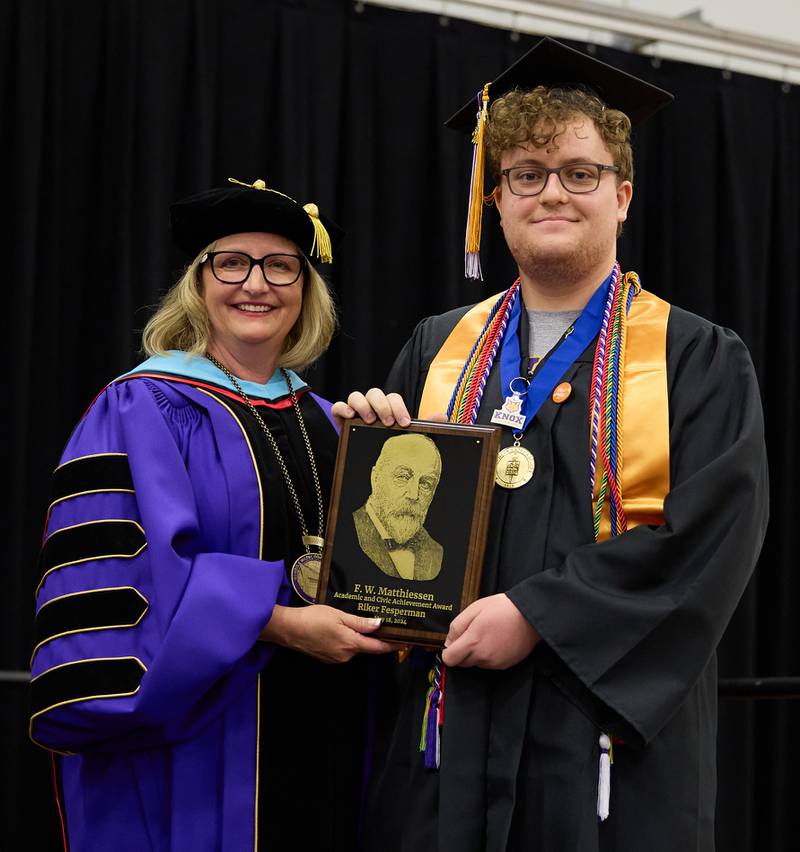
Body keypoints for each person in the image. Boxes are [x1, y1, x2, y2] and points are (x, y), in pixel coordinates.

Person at [334, 38, 769, 852]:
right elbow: (387, 549)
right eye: (525, 175)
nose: (552, 193)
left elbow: (709, 540)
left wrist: (538, 615)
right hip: (446, 735)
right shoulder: (437, 348)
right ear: (494, 200)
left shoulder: (696, 356)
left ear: (623, 194)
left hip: (603, 747)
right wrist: (371, 456)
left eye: (579, 172)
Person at [30, 178, 393, 851]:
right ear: (198, 284)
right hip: (194, 739)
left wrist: (399, 454)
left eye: (281, 266)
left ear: (306, 290)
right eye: (232, 263)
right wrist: (280, 622)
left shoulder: (326, 420)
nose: (257, 284)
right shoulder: (142, 406)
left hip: (327, 725)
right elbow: (133, 573)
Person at [353, 433, 444, 581]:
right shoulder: (347, 530)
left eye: (426, 484)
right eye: (402, 476)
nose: (414, 495)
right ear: (375, 479)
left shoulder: (435, 551)